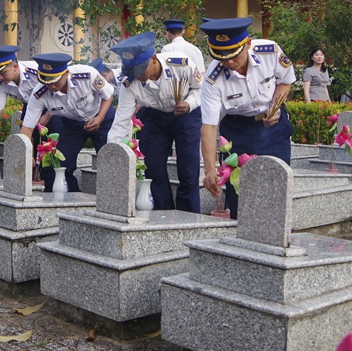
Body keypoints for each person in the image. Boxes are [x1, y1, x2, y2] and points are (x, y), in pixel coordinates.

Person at [199, 18, 295, 218]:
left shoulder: (270, 51)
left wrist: (274, 107)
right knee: (239, 193)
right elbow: (208, 126)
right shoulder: (212, 79)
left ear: (248, 44)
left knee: (277, 186)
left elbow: (285, 82)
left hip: (273, 128)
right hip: (238, 130)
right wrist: (209, 170)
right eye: (222, 57)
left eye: (234, 56)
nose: (229, 63)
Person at [107, 32, 203, 212]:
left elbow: (201, 89)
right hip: (155, 117)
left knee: (188, 173)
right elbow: (121, 122)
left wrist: (189, 104)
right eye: (132, 72)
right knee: (153, 170)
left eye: (140, 70)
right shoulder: (130, 84)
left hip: (186, 116)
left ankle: (188, 218)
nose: (138, 77)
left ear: (153, 58)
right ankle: (163, 215)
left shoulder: (181, 64)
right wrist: (112, 153)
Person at [20, 53, 115, 192]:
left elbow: (108, 95)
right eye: (46, 81)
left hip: (102, 116)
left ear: (66, 73)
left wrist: (99, 118)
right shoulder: (39, 93)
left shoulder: (87, 74)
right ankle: (71, 200)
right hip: (73, 123)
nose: (51, 86)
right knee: (57, 165)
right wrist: (26, 154)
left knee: (112, 161)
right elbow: (27, 128)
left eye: (55, 81)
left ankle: (112, 199)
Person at [0, 45, 57, 186]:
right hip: (30, 108)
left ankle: (50, 184)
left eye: (3, 72)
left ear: (15, 66)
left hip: (53, 108)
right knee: (28, 145)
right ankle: (29, 183)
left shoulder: (36, 73)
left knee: (49, 147)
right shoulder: (1, 83)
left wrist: (47, 116)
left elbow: (58, 95)